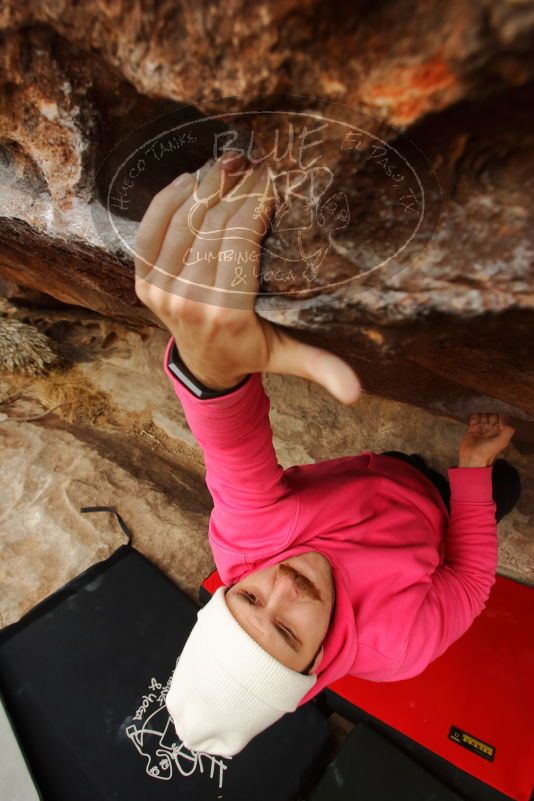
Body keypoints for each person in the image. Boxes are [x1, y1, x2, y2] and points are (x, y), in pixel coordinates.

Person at [134, 152, 521, 759]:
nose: (282, 586)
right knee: (510, 487)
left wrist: (208, 368)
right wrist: (472, 476)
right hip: (441, 522)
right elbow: (469, 580)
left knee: (404, 463)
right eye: (286, 631)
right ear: (313, 668)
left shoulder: (247, 546)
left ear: (228, 589)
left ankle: (415, 473)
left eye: (249, 600)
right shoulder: (399, 647)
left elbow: (231, 452)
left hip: (382, 474)